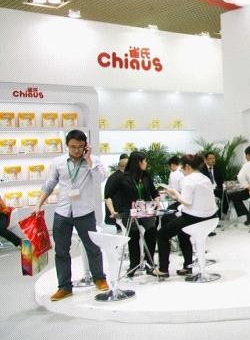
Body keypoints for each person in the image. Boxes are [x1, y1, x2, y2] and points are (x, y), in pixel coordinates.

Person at [33, 129, 108, 301]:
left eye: (80, 147)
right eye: (73, 147)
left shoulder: (94, 160)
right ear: (67, 145)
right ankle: (64, 287)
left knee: (92, 247)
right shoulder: (58, 162)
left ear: (86, 146)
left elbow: (100, 179)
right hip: (62, 213)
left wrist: (89, 160)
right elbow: (49, 184)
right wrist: (38, 204)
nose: (76, 150)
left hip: (85, 212)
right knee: (61, 251)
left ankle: (99, 278)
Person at [153, 154, 217, 278]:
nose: (181, 170)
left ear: (187, 166)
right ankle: (187, 266)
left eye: (182, 168)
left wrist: (175, 194)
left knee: (161, 234)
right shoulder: (205, 178)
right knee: (182, 232)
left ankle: (163, 269)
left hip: (196, 218)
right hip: (212, 217)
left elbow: (187, 202)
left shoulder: (188, 180)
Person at [104, 151, 159, 277]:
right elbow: (108, 195)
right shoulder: (122, 177)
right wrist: (112, 211)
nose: (146, 163)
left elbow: (154, 192)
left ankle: (149, 262)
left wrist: (157, 201)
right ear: (138, 162)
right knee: (133, 232)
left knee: (151, 229)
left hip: (145, 210)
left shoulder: (146, 176)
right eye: (144, 161)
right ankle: (134, 264)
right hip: (129, 211)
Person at [103, 154, 128, 230]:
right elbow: (108, 196)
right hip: (118, 211)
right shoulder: (114, 177)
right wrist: (113, 212)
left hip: (123, 211)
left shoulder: (125, 176)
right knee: (121, 230)